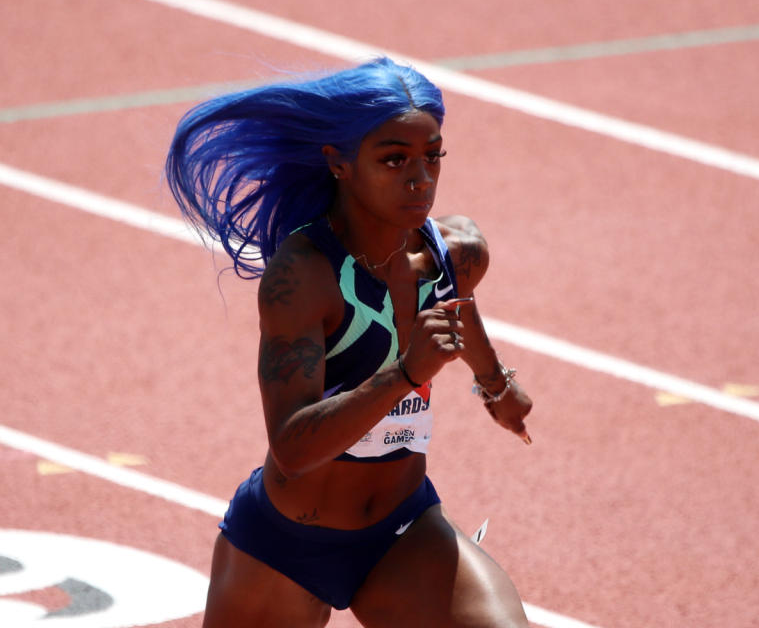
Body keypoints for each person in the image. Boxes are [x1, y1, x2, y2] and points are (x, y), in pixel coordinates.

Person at [166, 57, 534, 627]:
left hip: (402, 530)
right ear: (339, 162)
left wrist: (496, 385)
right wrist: (406, 374)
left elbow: (458, 303)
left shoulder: (456, 251)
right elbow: (291, 446)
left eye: (432, 156)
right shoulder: (303, 275)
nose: (421, 179)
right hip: (286, 548)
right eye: (394, 159)